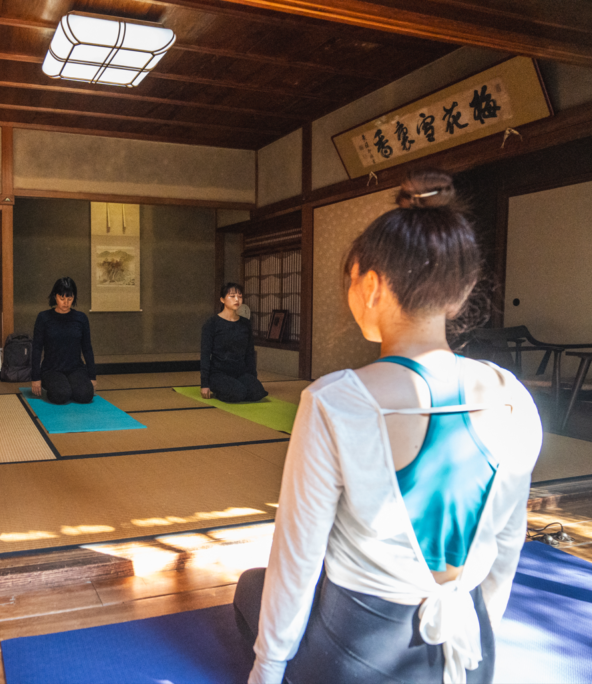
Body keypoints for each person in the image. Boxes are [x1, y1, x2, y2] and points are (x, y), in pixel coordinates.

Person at [234, 169, 543, 684]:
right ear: (462, 292)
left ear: (372, 285)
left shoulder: (337, 400)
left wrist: (266, 671)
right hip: (469, 648)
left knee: (251, 587)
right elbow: (506, 549)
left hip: (360, 659)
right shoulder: (513, 396)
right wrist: (476, 657)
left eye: (351, 280)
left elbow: (298, 555)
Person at [31, 277, 96, 404]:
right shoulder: (44, 318)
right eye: (62, 298)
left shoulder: (81, 318)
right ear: (55, 296)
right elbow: (37, 348)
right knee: (61, 395)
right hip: (51, 369)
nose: (66, 302)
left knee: (86, 395)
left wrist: (92, 376)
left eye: (69, 299)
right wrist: (35, 378)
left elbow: (87, 348)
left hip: (75, 368)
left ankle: (70, 386)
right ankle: (63, 387)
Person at [200, 283, 268, 403]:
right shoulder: (212, 324)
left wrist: (252, 378)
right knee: (238, 393)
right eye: (232, 296)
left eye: (240, 296)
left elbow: (249, 354)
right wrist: (204, 384)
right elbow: (205, 355)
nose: (237, 299)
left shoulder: (245, 324)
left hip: (240, 372)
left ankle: (238, 387)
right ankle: (222, 389)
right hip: (219, 373)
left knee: (258, 392)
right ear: (222, 299)